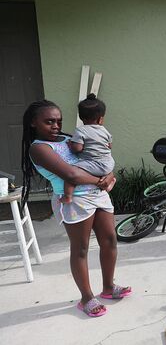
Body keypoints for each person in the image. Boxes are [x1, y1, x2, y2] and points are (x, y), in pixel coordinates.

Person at [21, 99, 130, 318]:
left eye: (59, 121)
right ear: (34, 123)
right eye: (49, 121)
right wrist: (101, 180)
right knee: (80, 249)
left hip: (98, 196)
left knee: (109, 240)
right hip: (74, 201)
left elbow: (101, 154)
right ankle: (86, 298)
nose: (56, 126)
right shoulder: (40, 148)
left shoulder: (70, 137)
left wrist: (109, 174)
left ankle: (108, 288)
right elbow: (71, 174)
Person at [62, 93, 115, 203]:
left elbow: (77, 149)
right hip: (109, 163)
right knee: (98, 169)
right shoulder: (105, 131)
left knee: (70, 172)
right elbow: (109, 146)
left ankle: (67, 196)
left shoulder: (80, 131)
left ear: (81, 117)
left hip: (94, 163)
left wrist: (70, 144)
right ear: (101, 119)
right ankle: (109, 182)